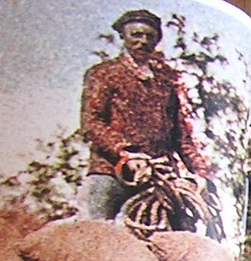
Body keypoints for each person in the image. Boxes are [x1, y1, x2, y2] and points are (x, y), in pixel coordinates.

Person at [80, 9, 215, 222]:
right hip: (111, 173)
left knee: (176, 237)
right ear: (123, 37)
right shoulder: (104, 74)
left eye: (149, 36)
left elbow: (181, 137)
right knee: (94, 237)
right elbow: (91, 121)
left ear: (157, 41)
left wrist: (201, 173)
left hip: (158, 177)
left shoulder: (164, 84)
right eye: (136, 35)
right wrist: (126, 153)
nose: (142, 42)